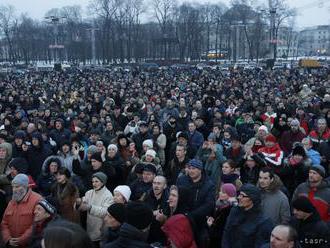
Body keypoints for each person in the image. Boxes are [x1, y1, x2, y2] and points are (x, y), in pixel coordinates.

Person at [176, 159, 215, 247]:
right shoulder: (182, 180)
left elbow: (209, 205)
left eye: (193, 168)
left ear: (200, 170)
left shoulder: (209, 184)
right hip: (182, 218)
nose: (191, 171)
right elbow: (177, 197)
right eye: (189, 168)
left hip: (199, 222)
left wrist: (191, 215)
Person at [222, 183, 273, 248]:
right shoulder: (234, 211)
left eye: (242, 196)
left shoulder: (263, 222)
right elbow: (226, 233)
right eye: (239, 194)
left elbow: (260, 244)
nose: (238, 197)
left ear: (252, 199)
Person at [1, 174, 42, 247]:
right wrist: (7, 239)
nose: (14, 189)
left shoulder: (37, 200)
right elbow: (4, 222)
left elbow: (37, 224)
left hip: (30, 245)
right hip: (11, 244)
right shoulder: (11, 202)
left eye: (17, 186)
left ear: (25, 187)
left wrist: (21, 240)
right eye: (13, 187)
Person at [76, 172, 113, 247]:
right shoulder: (89, 193)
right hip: (89, 227)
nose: (94, 184)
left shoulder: (108, 195)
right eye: (93, 182)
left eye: (96, 181)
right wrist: (78, 202)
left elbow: (105, 212)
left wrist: (90, 207)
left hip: (101, 229)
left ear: (103, 182)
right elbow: (83, 202)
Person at [207, 183, 237, 248]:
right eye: (220, 191)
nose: (220, 193)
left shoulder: (230, 210)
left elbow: (222, 228)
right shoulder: (220, 204)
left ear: (230, 195)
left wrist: (211, 225)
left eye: (223, 192)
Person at [144, 175, 169, 244]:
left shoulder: (169, 199)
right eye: (154, 183)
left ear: (164, 186)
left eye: (159, 183)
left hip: (162, 235)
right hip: (147, 233)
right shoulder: (147, 195)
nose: (156, 186)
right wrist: (152, 212)